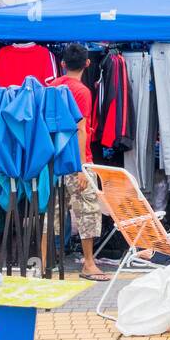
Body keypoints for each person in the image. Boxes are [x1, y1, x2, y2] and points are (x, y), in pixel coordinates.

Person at [46, 43, 110, 282]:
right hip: (75, 160)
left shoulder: (51, 88)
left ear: (62, 64)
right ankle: (89, 264)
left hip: (52, 160)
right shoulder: (82, 91)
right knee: (88, 212)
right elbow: (80, 129)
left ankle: (46, 262)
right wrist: (82, 167)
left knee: (51, 211)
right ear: (87, 63)